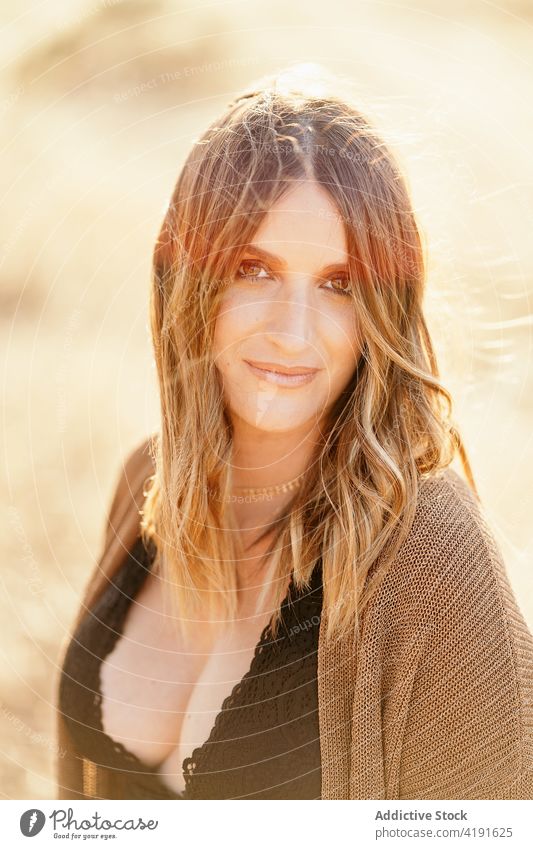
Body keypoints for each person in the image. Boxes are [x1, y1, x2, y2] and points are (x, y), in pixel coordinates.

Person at [55, 64, 533, 800]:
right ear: (190, 281)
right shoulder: (143, 487)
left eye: (339, 284)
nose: (293, 330)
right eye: (255, 268)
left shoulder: (429, 562)